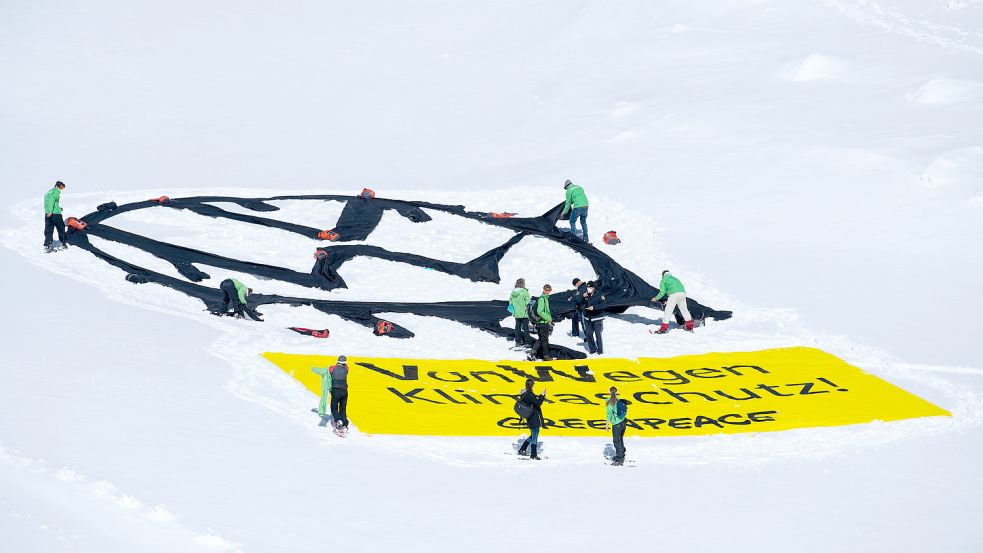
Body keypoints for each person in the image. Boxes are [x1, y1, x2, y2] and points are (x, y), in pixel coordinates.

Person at [517, 378, 547, 460]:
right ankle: (533, 454)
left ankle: (522, 449)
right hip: (533, 417)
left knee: (534, 434)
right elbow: (538, 403)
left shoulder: (525, 394)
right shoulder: (529, 395)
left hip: (530, 417)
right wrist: (542, 395)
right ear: (532, 385)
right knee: (535, 434)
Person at [605, 387, 627, 466]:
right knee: (620, 439)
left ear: (609, 392)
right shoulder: (619, 400)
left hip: (616, 424)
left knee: (616, 441)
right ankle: (622, 454)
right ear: (617, 392)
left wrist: (607, 425)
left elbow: (609, 415)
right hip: (623, 422)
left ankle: (619, 459)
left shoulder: (609, 402)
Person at [43, 181, 68, 251]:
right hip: (55, 214)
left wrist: (58, 208)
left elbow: (49, 203)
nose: (61, 189)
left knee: (48, 230)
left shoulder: (48, 192)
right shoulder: (56, 192)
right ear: (57, 186)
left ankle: (48, 245)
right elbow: (52, 200)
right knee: (61, 228)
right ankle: (63, 243)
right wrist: (52, 211)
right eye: (61, 187)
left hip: (47, 214)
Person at [583, 282, 606, 355]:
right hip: (588, 318)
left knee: (597, 334)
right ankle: (592, 349)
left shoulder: (600, 294)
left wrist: (594, 307)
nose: (588, 289)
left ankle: (600, 350)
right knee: (588, 334)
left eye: (590, 288)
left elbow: (603, 304)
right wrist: (583, 297)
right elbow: (581, 304)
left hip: (597, 318)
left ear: (593, 288)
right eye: (587, 288)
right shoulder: (586, 294)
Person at [532, 284, 553, 361]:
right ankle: (546, 356)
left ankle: (533, 351)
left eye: (549, 290)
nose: (547, 292)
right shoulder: (542, 299)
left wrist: (549, 319)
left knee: (541, 339)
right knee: (544, 340)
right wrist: (548, 318)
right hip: (542, 322)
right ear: (543, 290)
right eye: (546, 290)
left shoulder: (545, 298)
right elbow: (539, 311)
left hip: (542, 322)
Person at [509, 278, 532, 347]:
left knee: (517, 327)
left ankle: (518, 341)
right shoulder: (524, 292)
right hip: (524, 313)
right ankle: (528, 342)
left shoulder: (513, 293)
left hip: (517, 313)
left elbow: (510, 302)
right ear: (523, 284)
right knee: (525, 328)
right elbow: (528, 301)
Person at [329, 355, 350, 430]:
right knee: (343, 408)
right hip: (344, 391)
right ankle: (345, 423)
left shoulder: (333, 368)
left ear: (338, 361)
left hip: (336, 390)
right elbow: (346, 367)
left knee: (334, 408)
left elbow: (330, 369)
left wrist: (337, 364)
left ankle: (338, 420)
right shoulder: (346, 369)